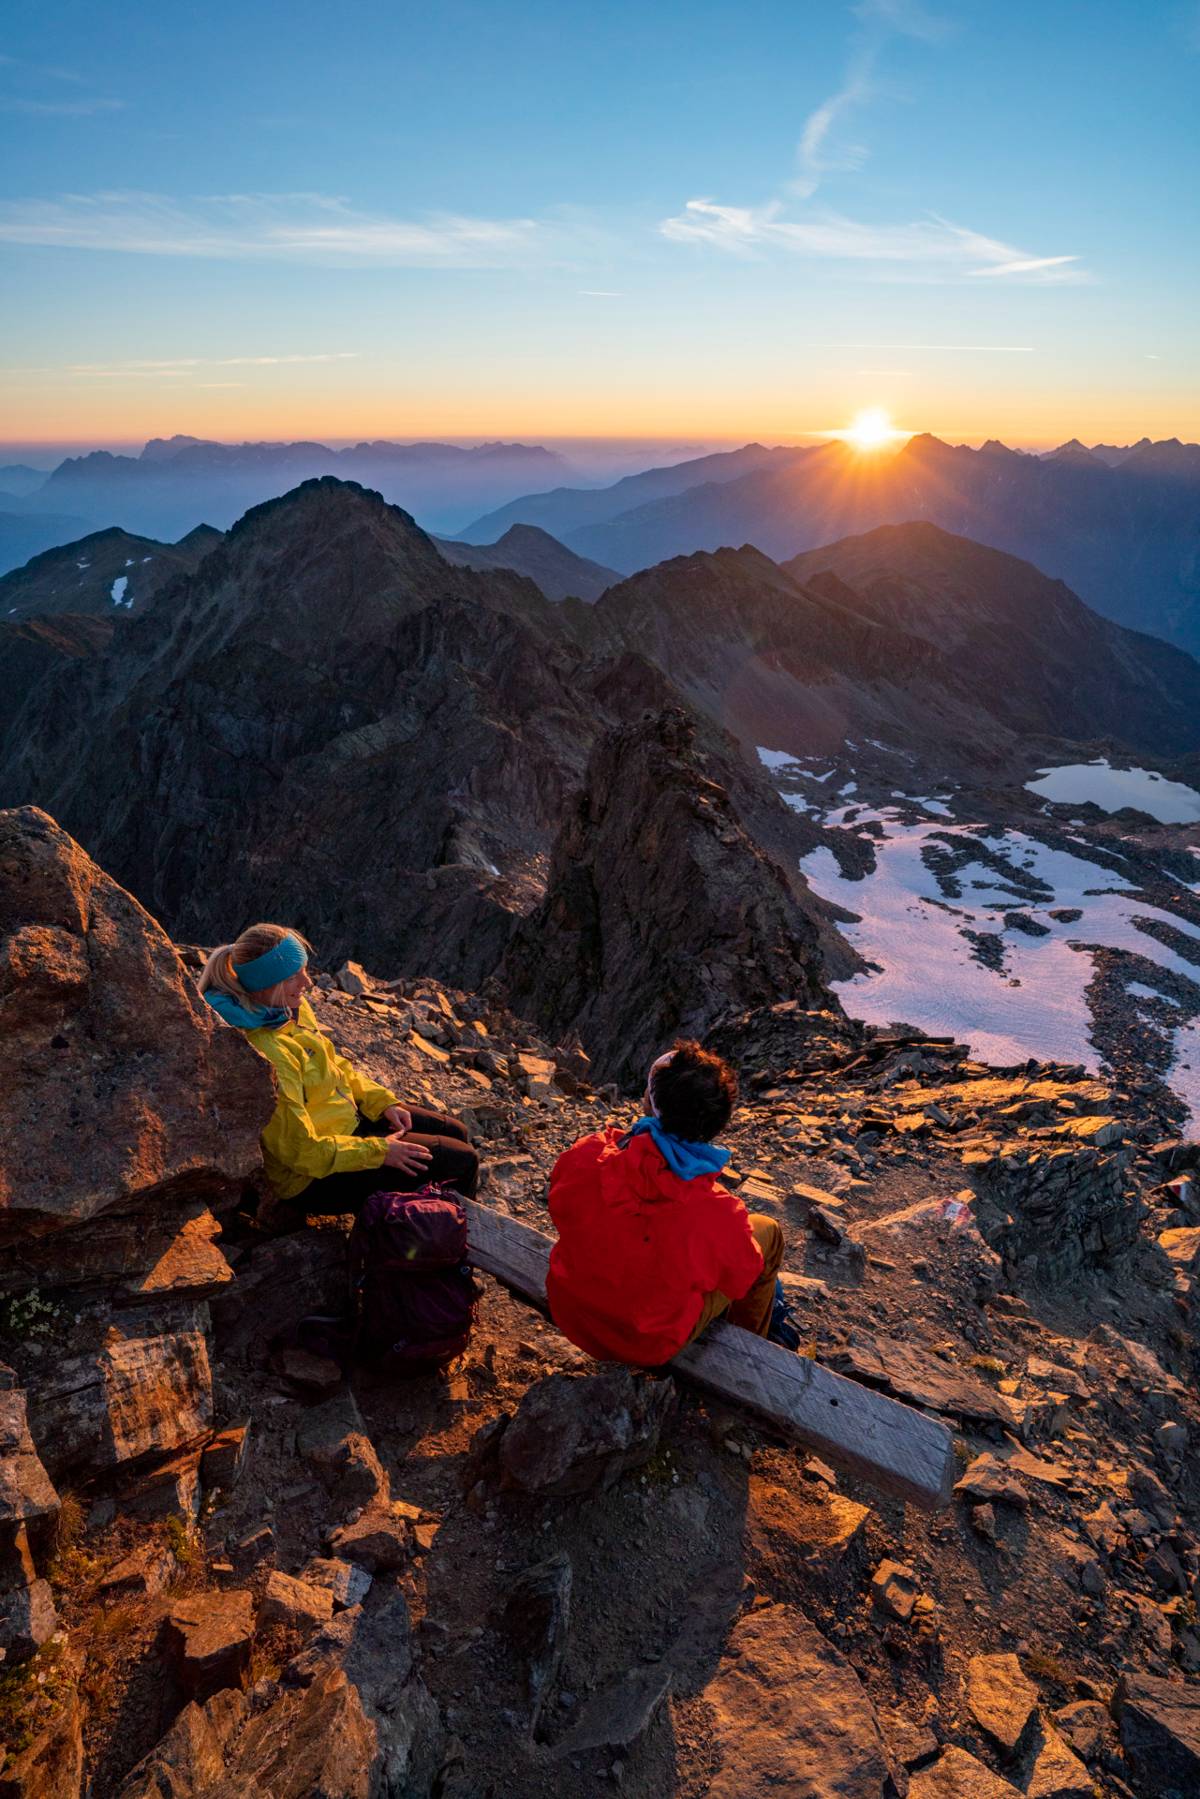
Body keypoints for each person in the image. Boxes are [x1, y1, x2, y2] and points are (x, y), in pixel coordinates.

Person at [198, 923, 479, 1212]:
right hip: (314, 1177)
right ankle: (443, 1238)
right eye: (295, 976)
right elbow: (301, 1152)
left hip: (347, 1125)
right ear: (265, 983)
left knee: (455, 1131)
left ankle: (437, 1218)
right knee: (462, 1161)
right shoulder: (268, 1054)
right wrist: (380, 1152)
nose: (307, 983)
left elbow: (334, 1066)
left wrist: (381, 1102)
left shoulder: (288, 1009)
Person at [545, 1039, 791, 1367]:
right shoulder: (719, 1212)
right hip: (643, 1344)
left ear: (649, 1103)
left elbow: (559, 1205)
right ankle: (749, 1361)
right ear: (717, 1125)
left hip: (573, 1311)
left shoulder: (587, 1155)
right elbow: (738, 1277)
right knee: (768, 1234)